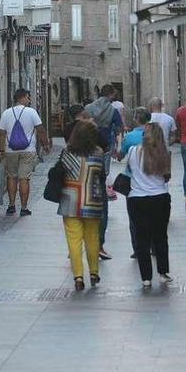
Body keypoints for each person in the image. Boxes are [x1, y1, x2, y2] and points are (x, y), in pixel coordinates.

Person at [57, 120, 107, 291]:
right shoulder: (98, 153)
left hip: (70, 201)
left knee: (74, 240)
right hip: (92, 201)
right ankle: (93, 272)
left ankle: (78, 276)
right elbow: (102, 175)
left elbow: (60, 171)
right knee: (92, 238)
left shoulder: (67, 153)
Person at [125, 122, 173, 287]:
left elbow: (129, 170)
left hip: (137, 198)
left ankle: (146, 277)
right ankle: (163, 272)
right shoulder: (164, 153)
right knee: (160, 237)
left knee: (142, 238)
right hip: (159, 197)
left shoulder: (132, 151)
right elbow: (167, 176)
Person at [0, 89, 51, 216]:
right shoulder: (31, 112)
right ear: (22, 97)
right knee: (24, 179)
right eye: (28, 97)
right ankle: (24, 208)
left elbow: (1, 133)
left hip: (10, 150)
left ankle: (11, 206)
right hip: (28, 150)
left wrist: (1, 150)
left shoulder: (6, 113)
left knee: (11, 177)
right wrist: (45, 144)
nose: (29, 100)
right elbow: (41, 130)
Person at [84, 84, 123, 259]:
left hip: (87, 150)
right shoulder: (113, 110)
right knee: (102, 204)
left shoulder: (89, 108)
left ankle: (79, 243)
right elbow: (120, 127)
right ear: (110, 94)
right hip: (104, 147)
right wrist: (116, 144)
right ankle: (99, 244)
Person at [118, 107, 152, 259]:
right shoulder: (155, 136)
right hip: (153, 180)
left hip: (133, 181)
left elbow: (119, 156)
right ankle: (154, 246)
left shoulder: (130, 137)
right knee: (153, 216)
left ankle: (138, 248)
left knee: (134, 217)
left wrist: (119, 144)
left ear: (137, 119)